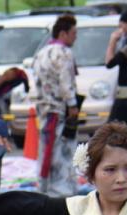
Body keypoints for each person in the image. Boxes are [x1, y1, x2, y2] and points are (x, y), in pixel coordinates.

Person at [32, 15, 80, 197]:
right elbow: (65, 83)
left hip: (43, 108)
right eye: (74, 33)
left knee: (46, 149)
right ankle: (61, 190)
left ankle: (44, 186)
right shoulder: (64, 52)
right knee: (61, 151)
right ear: (63, 33)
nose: (76, 37)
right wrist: (73, 105)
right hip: (58, 109)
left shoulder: (41, 52)